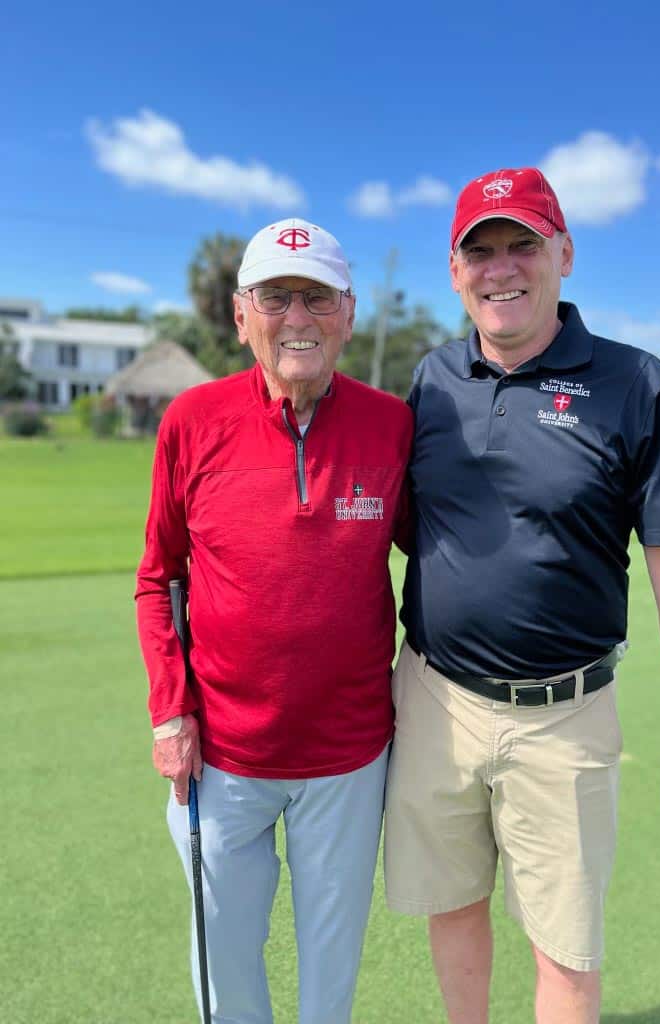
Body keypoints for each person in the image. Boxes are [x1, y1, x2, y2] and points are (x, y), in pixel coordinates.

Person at [383, 168, 660, 1024]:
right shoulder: (430, 381)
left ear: (565, 255)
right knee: (452, 906)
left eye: (523, 246)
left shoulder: (635, 384)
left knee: (568, 949)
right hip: (434, 697)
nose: (502, 268)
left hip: (565, 714)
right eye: (483, 252)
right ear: (456, 271)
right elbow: (400, 528)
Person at [136, 217, 412, 1024]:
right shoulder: (192, 420)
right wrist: (167, 712)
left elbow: (442, 560)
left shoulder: (391, 423)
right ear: (240, 313)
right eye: (276, 297)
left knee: (332, 968)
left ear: (349, 313)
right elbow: (158, 579)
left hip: (350, 754)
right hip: (221, 753)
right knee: (223, 958)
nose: (298, 317)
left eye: (318, 297)